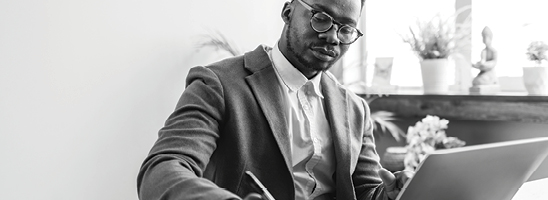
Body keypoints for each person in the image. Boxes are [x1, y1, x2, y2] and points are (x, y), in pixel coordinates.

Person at [137, 0, 414, 200]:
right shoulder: (219, 84)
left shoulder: (355, 109)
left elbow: (366, 191)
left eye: (346, 30)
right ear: (288, 12)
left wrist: (396, 194)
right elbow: (162, 170)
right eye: (320, 17)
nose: (332, 36)